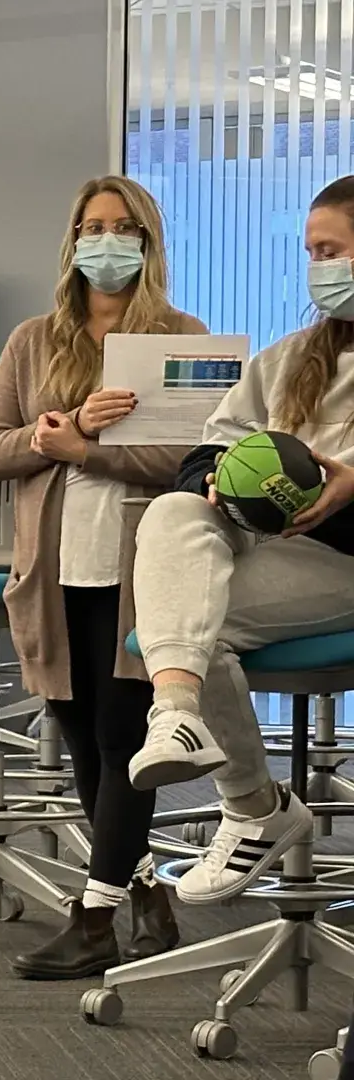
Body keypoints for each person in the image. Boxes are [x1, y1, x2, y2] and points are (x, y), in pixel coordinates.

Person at [0, 176, 201, 979]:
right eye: (92, 227)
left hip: (140, 572)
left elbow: (187, 462)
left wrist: (90, 452)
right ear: (73, 242)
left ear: (146, 241)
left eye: (122, 228)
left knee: (123, 741)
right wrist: (55, 436)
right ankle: (144, 890)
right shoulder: (34, 339)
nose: (106, 242)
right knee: (80, 739)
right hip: (53, 571)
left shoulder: (181, 338)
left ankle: (94, 919)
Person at [127, 174, 354, 904]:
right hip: (269, 547)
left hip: (343, 561)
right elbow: (205, 451)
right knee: (170, 513)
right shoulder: (291, 359)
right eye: (313, 251)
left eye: (334, 250)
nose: (321, 267)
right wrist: (218, 483)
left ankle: (255, 809)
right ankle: (178, 718)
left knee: (196, 624)